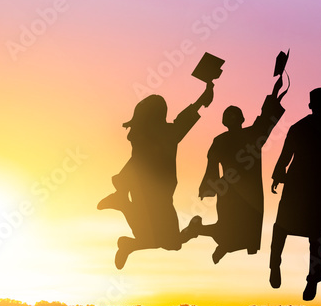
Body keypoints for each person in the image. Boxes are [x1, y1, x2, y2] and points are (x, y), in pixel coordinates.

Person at [97, 81, 214, 268]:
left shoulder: (139, 133)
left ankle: (127, 227)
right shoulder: (167, 133)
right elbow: (184, 119)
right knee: (171, 243)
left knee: (151, 236)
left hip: (140, 189)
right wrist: (203, 98)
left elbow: (183, 120)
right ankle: (126, 219)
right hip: (159, 194)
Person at [269, 43, 321, 301]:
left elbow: (284, 157)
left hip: (301, 185)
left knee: (283, 228)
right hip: (314, 188)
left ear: (311, 105)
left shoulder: (301, 126)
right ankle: (311, 279)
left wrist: (278, 175)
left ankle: (277, 267)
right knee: (316, 237)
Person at [181, 74, 287, 263]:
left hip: (234, 190)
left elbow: (211, 165)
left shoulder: (240, 137)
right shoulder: (250, 135)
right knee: (234, 228)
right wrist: (274, 93)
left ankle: (214, 240)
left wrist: (208, 186)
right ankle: (214, 240)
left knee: (242, 229)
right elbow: (266, 118)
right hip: (237, 192)